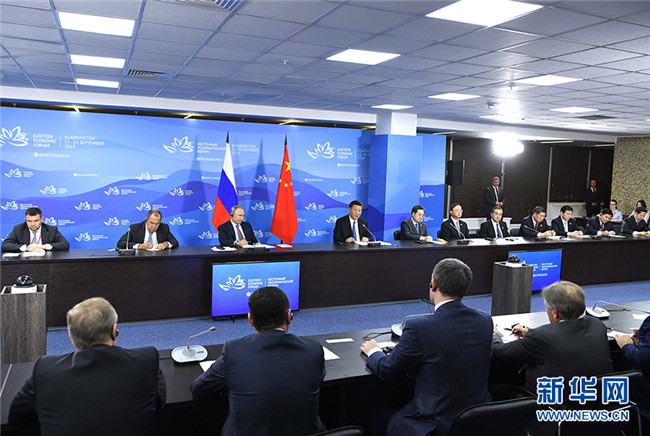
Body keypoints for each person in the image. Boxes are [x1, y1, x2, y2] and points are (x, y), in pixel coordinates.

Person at [360, 258, 492, 436]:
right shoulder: (484, 320)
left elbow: (387, 369)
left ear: (433, 283)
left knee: (375, 418)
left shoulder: (418, 327)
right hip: (475, 419)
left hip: (434, 425)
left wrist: (373, 351)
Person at [8, 297, 166, 436]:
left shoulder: (45, 369)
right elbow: (159, 403)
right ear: (114, 330)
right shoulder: (146, 360)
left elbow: (16, 418)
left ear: (71, 337)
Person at [191, 287, 326, 436]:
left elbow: (198, 389)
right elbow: (318, 378)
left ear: (251, 320)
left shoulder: (234, 350)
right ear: (289, 316)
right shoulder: (313, 349)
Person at [492, 281, 612, 394]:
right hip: (597, 399)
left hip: (552, 404)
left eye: (546, 307)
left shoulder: (540, 337)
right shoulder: (597, 325)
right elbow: (563, 337)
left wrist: (493, 333)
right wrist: (530, 332)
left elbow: (500, 352)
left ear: (555, 313)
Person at [1, 207, 70, 252]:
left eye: (36, 221)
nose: (33, 224)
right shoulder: (18, 229)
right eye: (29, 221)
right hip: (25, 262)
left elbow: (65, 244)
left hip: (46, 260)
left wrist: (42, 246)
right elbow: (5, 245)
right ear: (25, 220)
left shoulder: (51, 229)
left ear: (41, 220)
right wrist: (27, 248)